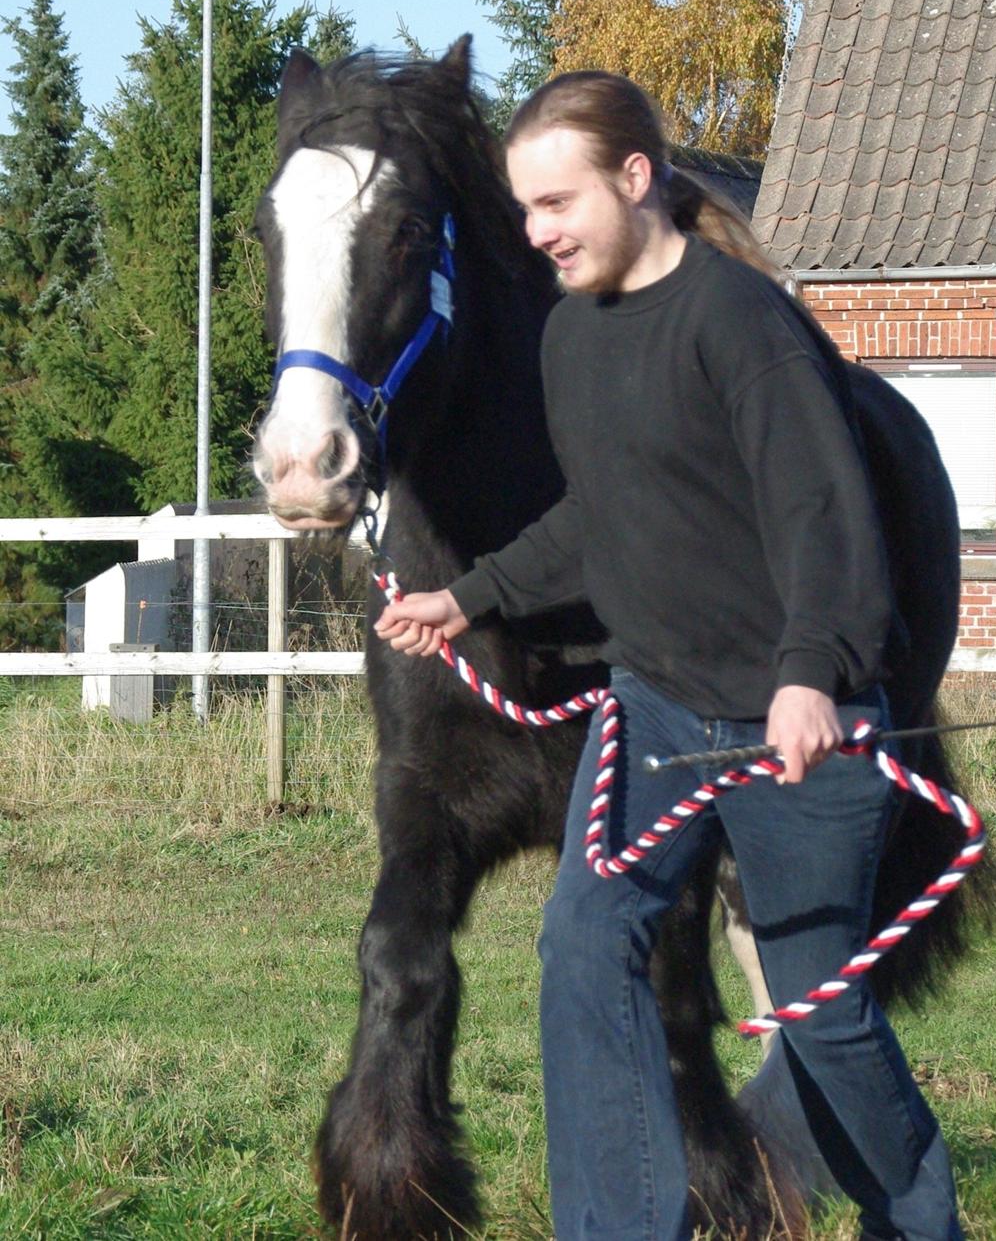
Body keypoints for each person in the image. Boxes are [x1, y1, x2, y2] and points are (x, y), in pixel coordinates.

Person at [375, 70, 964, 1241]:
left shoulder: (743, 326)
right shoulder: (571, 341)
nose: (537, 230)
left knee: (820, 1009)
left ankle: (921, 1221)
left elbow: (827, 518)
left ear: (635, 181)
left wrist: (813, 674)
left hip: (798, 724)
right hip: (649, 712)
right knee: (584, 949)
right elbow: (600, 519)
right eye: (524, 209)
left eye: (558, 202)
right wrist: (469, 595)